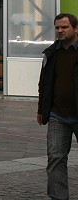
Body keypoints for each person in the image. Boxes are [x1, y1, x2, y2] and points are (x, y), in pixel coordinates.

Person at [37, 12, 78, 200]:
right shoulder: (51, 53)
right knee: (55, 158)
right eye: (57, 28)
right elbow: (43, 83)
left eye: (64, 27)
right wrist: (41, 110)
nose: (60, 31)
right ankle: (59, 197)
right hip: (57, 115)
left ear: (75, 29)